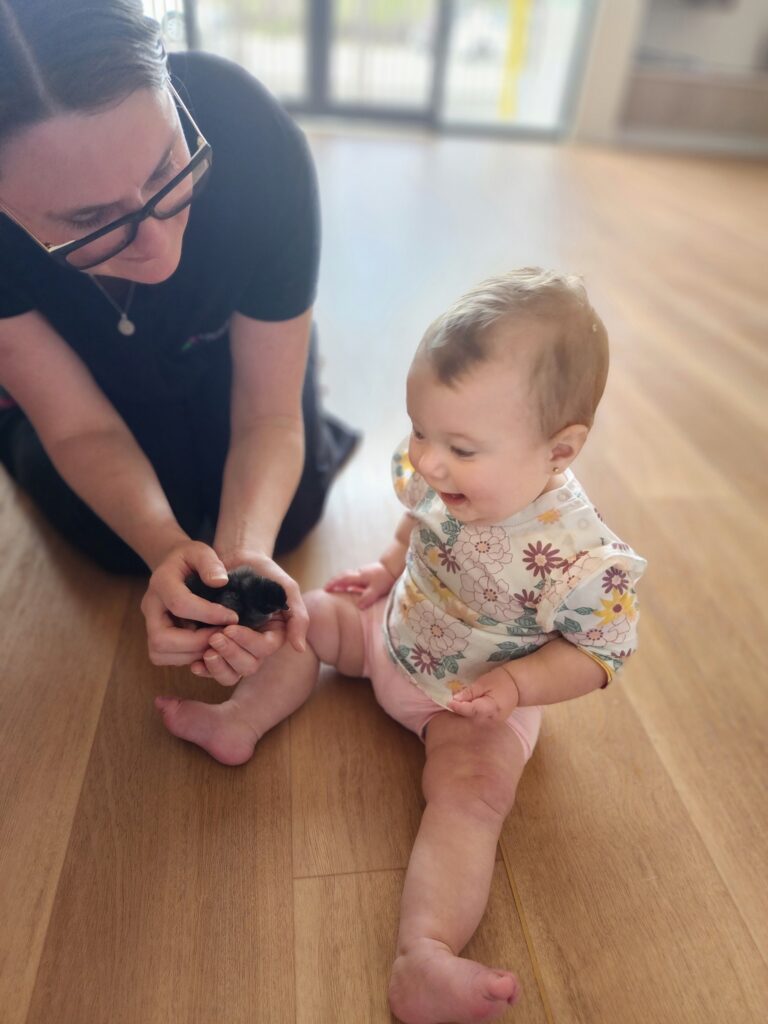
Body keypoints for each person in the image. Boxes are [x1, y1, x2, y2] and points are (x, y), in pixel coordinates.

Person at [155, 268, 647, 1022]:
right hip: (391, 628)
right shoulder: (438, 468)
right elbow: (418, 518)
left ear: (561, 450)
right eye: (421, 429)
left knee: (471, 797)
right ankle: (239, 720)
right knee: (303, 617)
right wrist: (388, 567)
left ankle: (425, 952)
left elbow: (599, 655)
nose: (430, 460)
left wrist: (518, 688)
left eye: (461, 448)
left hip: (472, 701)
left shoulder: (581, 560)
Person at [0, 0, 357, 677]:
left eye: (168, 166)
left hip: (226, 347)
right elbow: (79, 428)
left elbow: (270, 414)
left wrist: (245, 554)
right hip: (74, 380)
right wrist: (161, 545)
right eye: (89, 220)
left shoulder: (251, 132)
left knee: (289, 512)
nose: (158, 246)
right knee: (114, 541)